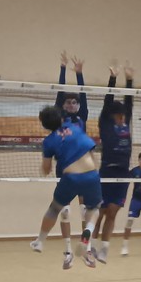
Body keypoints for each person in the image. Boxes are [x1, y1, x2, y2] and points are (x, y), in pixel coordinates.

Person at [30, 107, 101, 268]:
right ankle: (87, 234)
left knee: (55, 209)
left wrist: (47, 162)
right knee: (93, 209)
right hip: (92, 174)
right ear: (61, 118)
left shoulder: (49, 141)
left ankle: (40, 241)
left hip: (71, 177)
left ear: (45, 126)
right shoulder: (75, 128)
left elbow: (46, 169)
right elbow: (91, 152)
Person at [92, 65, 134, 263]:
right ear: (113, 115)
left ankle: (104, 250)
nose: (123, 116)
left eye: (125, 114)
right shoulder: (105, 124)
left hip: (123, 174)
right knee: (99, 212)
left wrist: (130, 80)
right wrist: (112, 79)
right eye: (120, 114)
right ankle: (90, 245)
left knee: (112, 212)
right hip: (106, 172)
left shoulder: (126, 124)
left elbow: (129, 101)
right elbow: (107, 102)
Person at [53, 51, 89, 269]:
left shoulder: (82, 116)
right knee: (65, 211)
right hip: (64, 168)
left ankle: (85, 248)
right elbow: (58, 94)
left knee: (85, 210)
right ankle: (67, 251)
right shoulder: (60, 117)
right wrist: (63, 69)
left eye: (74, 102)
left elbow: (83, 94)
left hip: (83, 167)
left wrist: (80, 74)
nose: (72, 105)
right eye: (68, 103)